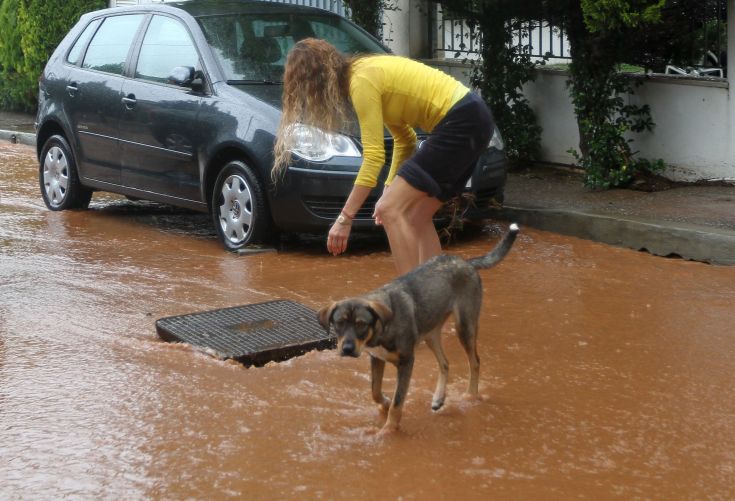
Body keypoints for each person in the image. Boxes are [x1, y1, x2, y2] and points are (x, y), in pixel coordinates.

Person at [273, 38, 495, 275]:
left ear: (315, 80)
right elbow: (405, 139)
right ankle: (434, 292)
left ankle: (411, 297)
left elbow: (374, 156)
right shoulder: (364, 75)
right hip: (474, 117)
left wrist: (345, 218)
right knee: (418, 216)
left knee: (390, 210)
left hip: (461, 120)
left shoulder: (361, 83)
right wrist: (389, 186)